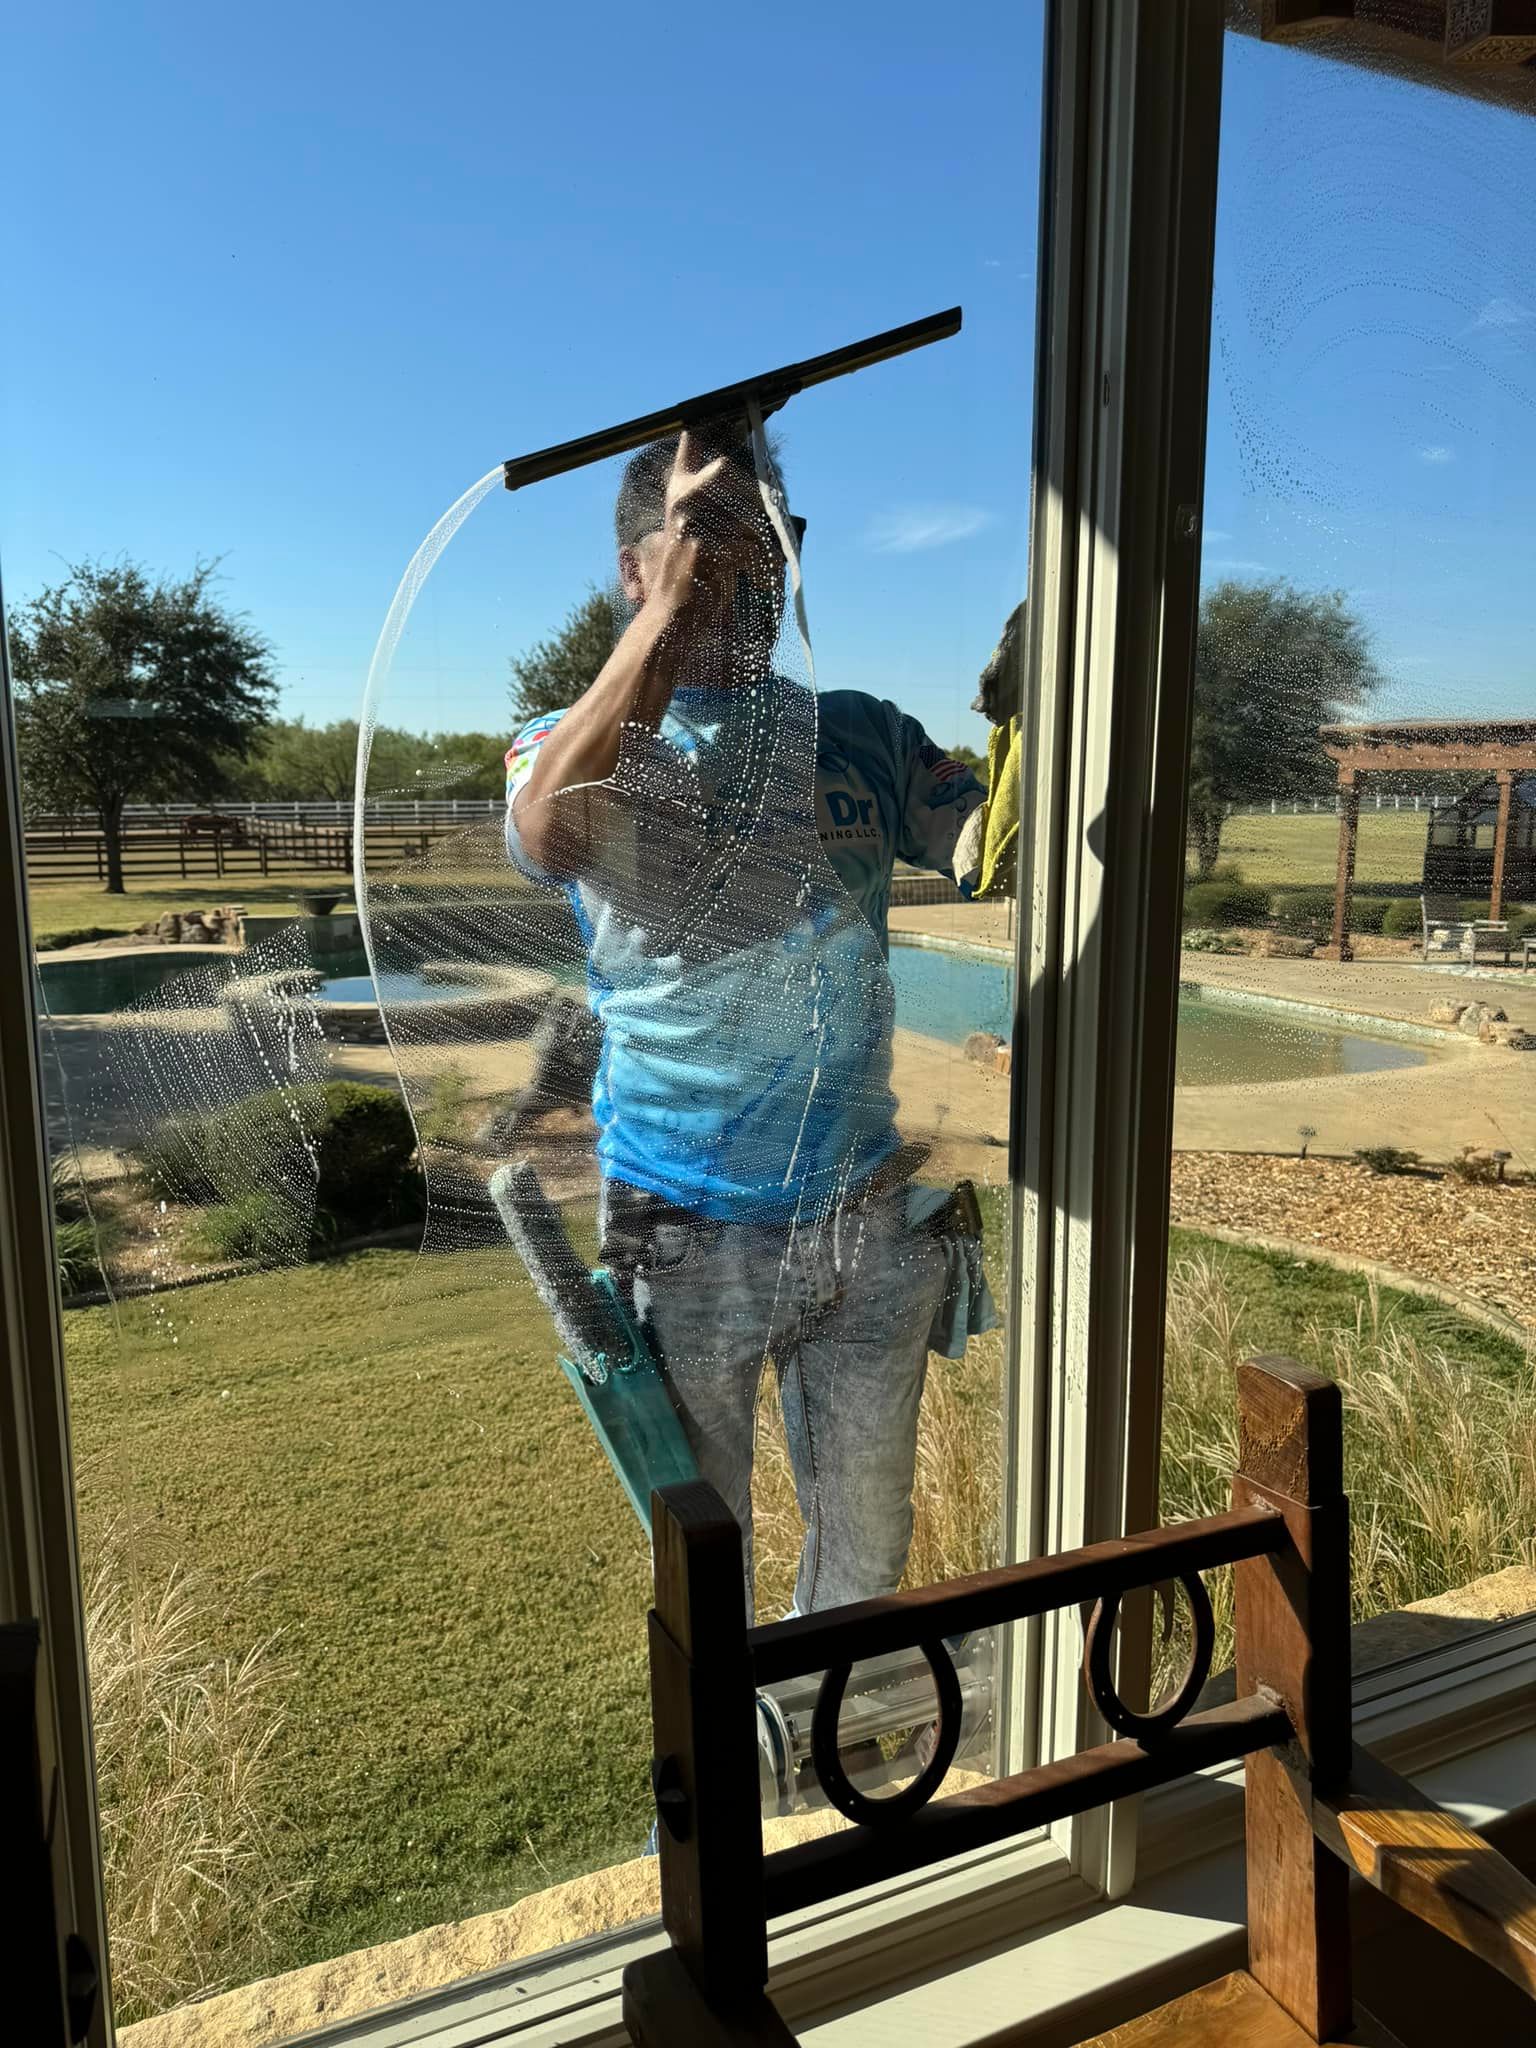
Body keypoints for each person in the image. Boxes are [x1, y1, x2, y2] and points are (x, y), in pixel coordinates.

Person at [503, 425, 987, 1614]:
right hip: (681, 1223)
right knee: (703, 1563)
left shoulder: (864, 732)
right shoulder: (563, 742)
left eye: (774, 545)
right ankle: (723, 1742)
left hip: (862, 1210)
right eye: (716, 553)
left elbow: (998, 841)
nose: (758, 581)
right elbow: (551, 830)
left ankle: (816, 1733)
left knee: (867, 1548)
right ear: (638, 567)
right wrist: (669, 621)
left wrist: (1041, 719)